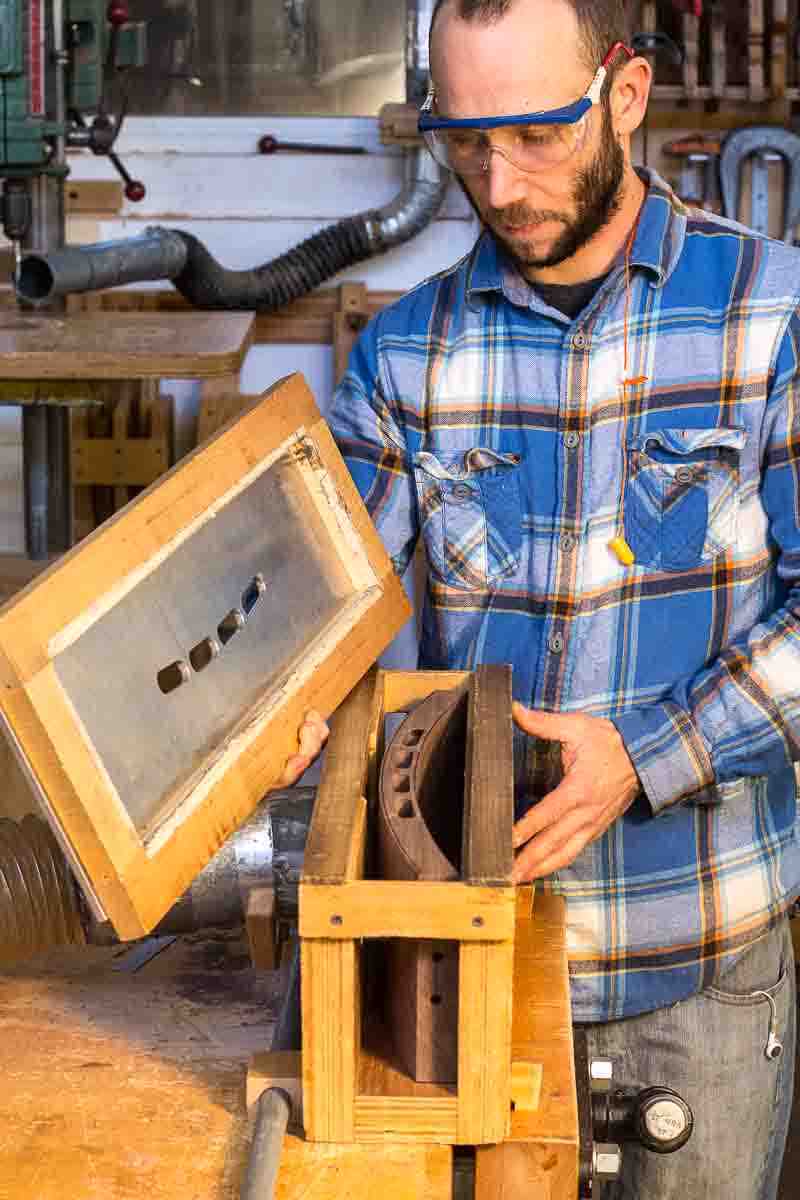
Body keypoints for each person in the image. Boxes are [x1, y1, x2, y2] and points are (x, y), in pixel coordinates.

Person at [326, 1, 800, 1197]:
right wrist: (292, 702)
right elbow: (342, 631)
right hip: (460, 969)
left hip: (692, 963)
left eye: (535, 133)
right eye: (465, 142)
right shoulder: (402, 359)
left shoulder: (770, 318)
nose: (499, 180)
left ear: (623, 94)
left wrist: (644, 755)